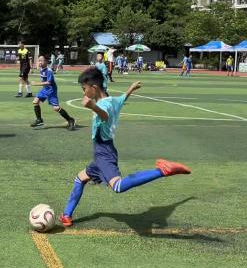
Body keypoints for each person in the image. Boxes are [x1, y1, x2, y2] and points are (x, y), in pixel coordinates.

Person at [59, 68, 191, 227]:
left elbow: (105, 115)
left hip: (103, 152)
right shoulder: (114, 100)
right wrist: (131, 89)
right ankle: (66, 215)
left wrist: (93, 106)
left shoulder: (103, 104)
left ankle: (163, 170)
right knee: (80, 178)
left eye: (84, 89)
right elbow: (122, 98)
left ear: (93, 87)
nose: (84, 93)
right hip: (103, 152)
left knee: (118, 186)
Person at [30, 55, 76, 131]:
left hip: (51, 90)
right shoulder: (42, 69)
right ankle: (39, 120)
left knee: (56, 108)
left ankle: (70, 120)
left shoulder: (49, 71)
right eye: (39, 60)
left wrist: (36, 83)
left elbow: (48, 82)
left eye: (41, 60)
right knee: (35, 101)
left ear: (46, 62)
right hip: (45, 89)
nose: (39, 62)